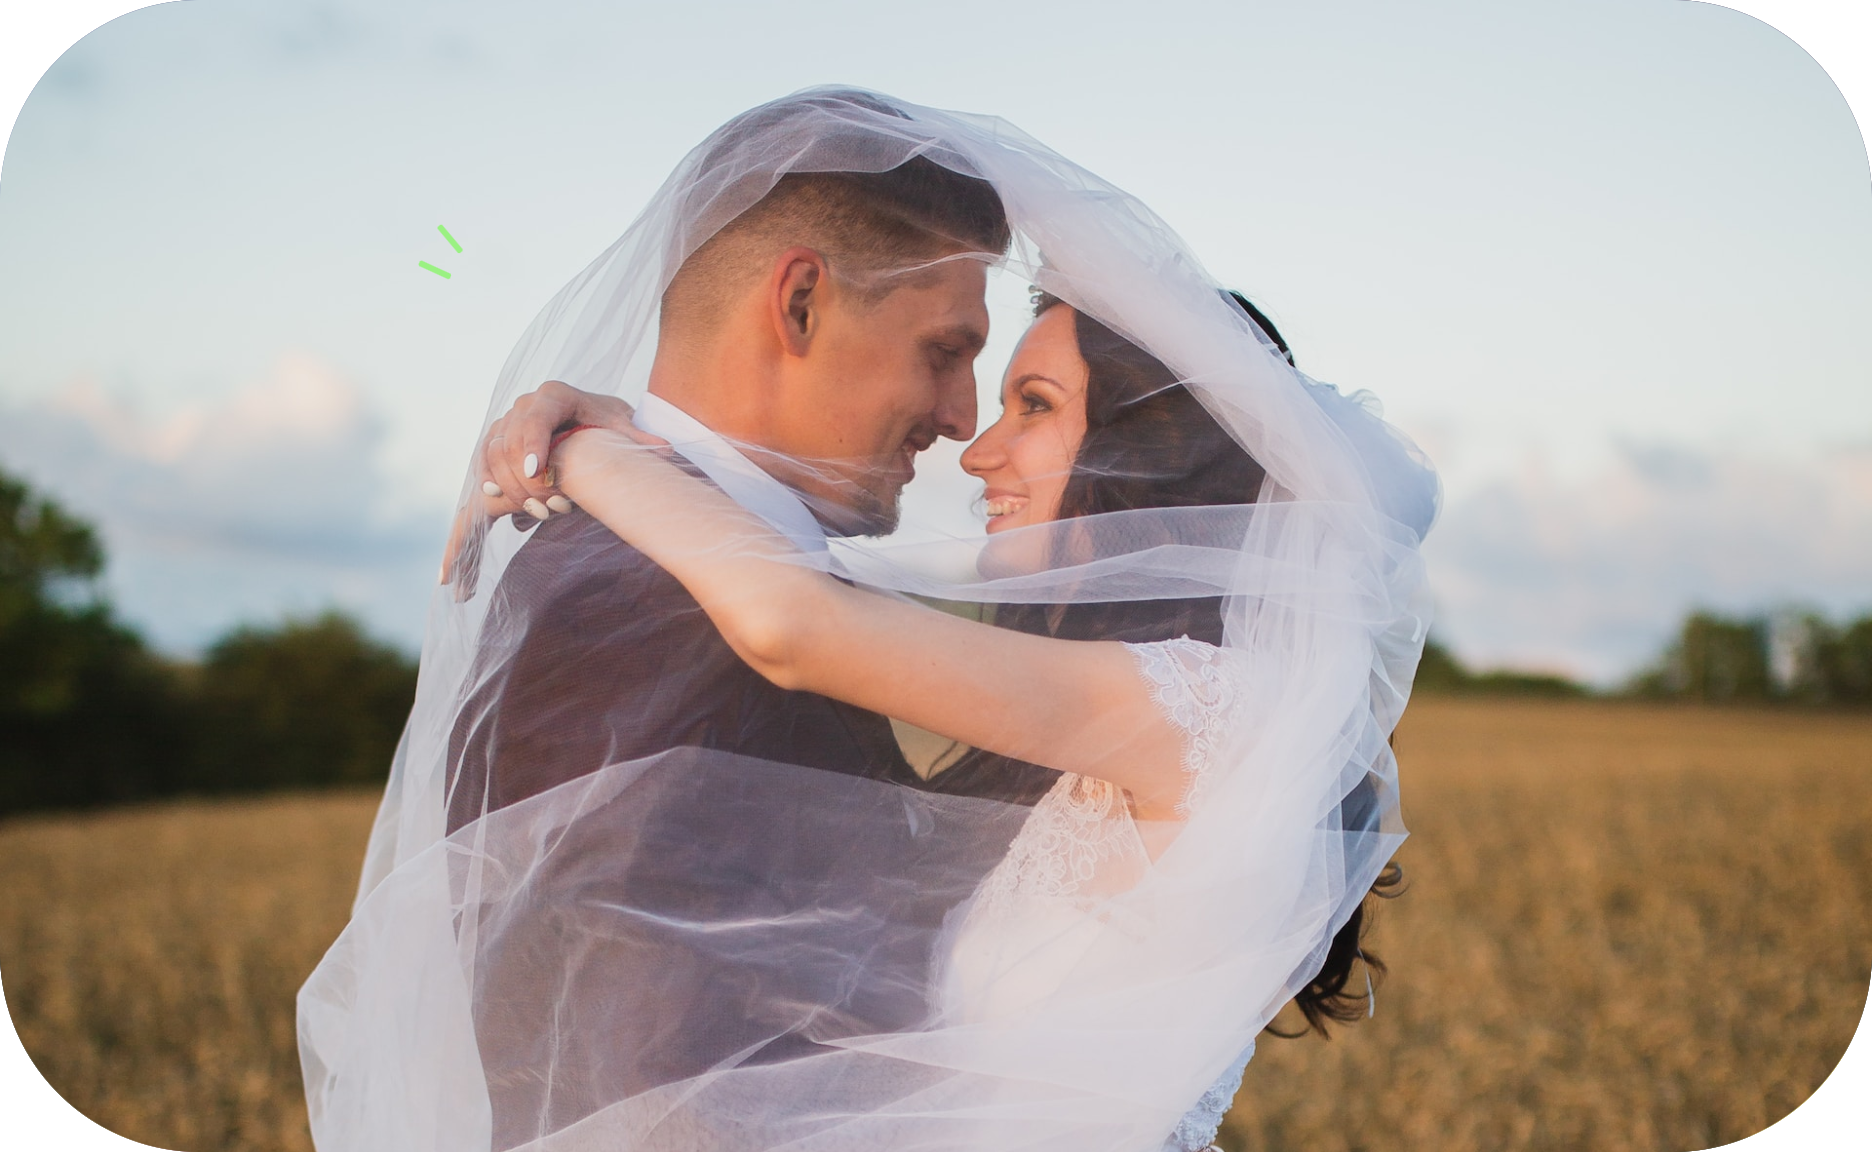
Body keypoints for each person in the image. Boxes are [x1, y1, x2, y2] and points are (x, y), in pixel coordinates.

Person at [300, 87, 1436, 1152]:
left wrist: (590, 441)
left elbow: (789, 623)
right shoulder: (643, 601)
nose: (968, 437)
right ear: (797, 301)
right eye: (954, 361)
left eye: (1029, 405)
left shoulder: (1206, 713)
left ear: (1150, 457)